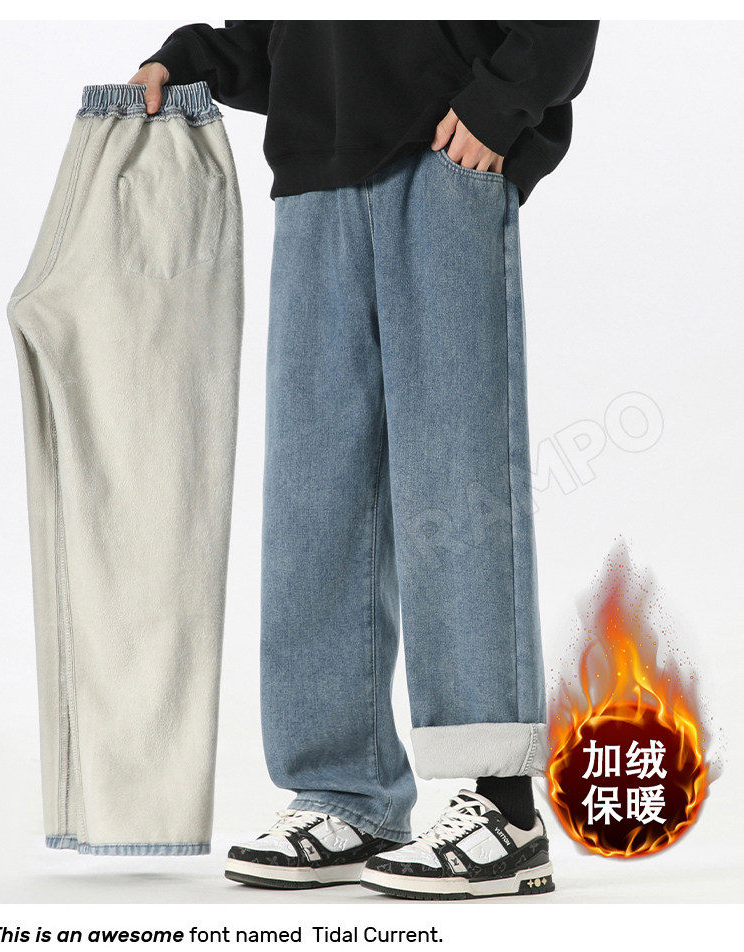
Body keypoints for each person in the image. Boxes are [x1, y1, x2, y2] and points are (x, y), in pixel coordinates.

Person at [128, 19, 599, 901]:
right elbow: (289, 36)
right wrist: (193, 58)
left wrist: (500, 103)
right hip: (314, 167)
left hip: (446, 147)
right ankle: (347, 795)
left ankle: (505, 811)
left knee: (455, 479)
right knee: (314, 495)